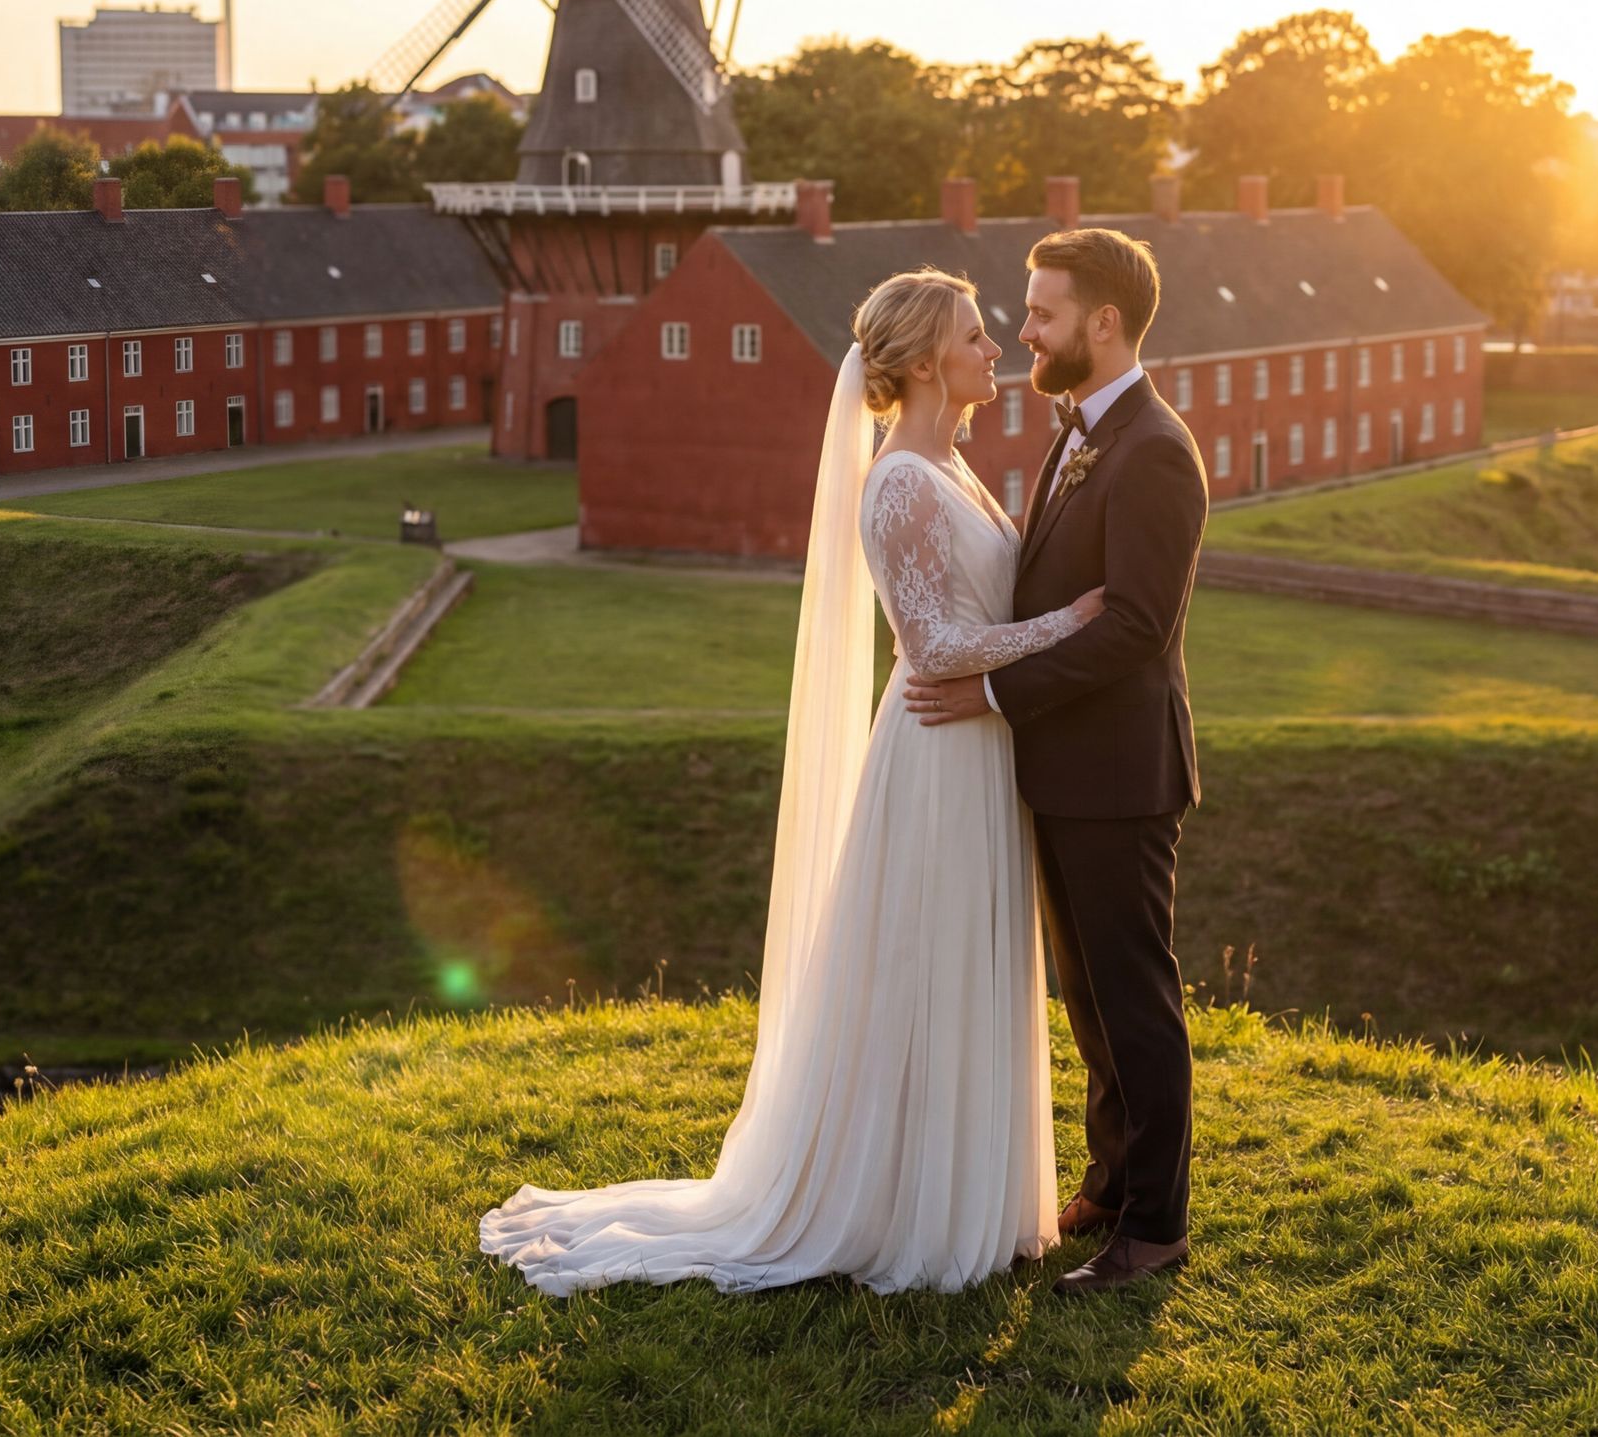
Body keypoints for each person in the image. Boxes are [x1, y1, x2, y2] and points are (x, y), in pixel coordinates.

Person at [477, 268, 1099, 1295]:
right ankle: (898, 1201)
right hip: (938, 753)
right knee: (925, 963)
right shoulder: (899, 479)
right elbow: (933, 643)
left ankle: (968, 1191)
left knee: (968, 961)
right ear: (923, 361)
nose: (996, 351)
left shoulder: (951, 463)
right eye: (975, 338)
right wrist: (1069, 625)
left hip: (980, 749)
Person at [907, 225, 1208, 1294]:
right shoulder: (1078, 430)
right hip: (1064, 770)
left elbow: (1132, 629)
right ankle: (1113, 1182)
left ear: (1104, 322)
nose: (1023, 329)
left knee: (1134, 999)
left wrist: (988, 688)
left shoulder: (1156, 451)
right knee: (1088, 998)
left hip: (1121, 777)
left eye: (1040, 312)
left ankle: (1157, 1226)